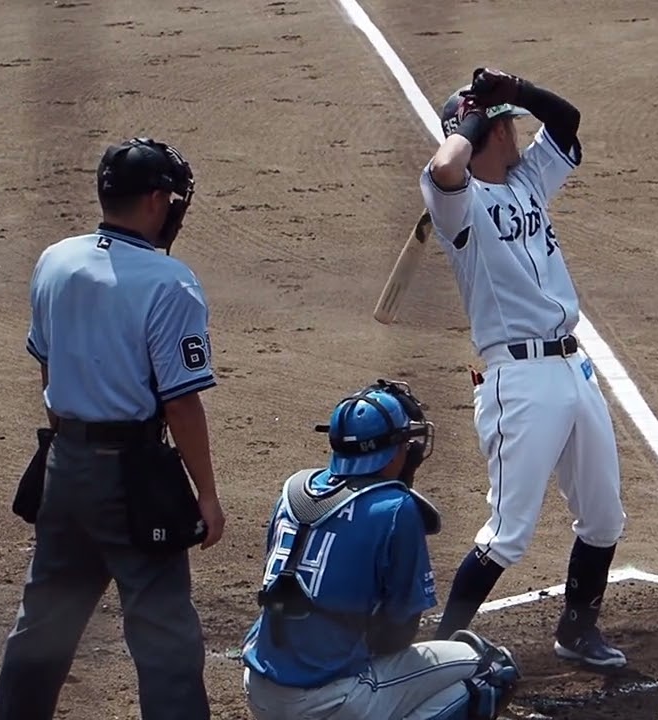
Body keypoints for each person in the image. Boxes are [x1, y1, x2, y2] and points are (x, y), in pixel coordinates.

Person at [0, 137, 225, 720]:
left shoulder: (56, 259)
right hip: (133, 479)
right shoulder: (170, 282)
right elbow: (181, 403)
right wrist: (206, 494)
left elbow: (48, 367)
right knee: (165, 638)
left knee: (43, 626)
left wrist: (71, 442)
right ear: (156, 200)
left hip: (63, 467)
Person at [418, 68, 629, 668]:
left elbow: (567, 120)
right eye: (508, 124)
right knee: (508, 532)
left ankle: (577, 631)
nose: (517, 132)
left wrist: (516, 91)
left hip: (573, 368)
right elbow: (446, 165)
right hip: (518, 380)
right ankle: (437, 652)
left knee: (604, 517)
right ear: (488, 133)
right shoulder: (458, 206)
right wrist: (474, 118)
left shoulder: (528, 180)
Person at [241, 379, 521, 720]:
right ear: (394, 450)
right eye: (406, 443)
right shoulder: (396, 509)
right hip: (327, 702)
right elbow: (399, 634)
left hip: (259, 689)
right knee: (492, 669)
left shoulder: (293, 491)